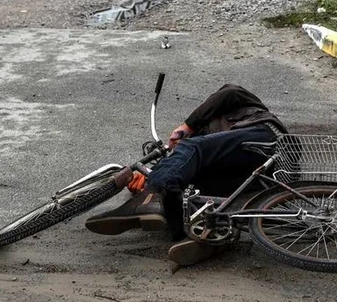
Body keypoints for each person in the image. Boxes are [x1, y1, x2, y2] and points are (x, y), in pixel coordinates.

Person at [85, 83, 287, 266]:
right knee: (191, 193)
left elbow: (230, 93)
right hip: (247, 173)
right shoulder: (206, 140)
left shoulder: (238, 104)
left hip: (262, 140)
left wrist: (187, 125)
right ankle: (200, 234)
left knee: (192, 149)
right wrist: (148, 179)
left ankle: (151, 198)